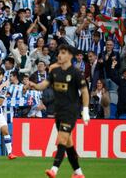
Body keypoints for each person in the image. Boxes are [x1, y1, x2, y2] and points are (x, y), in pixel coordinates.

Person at [28, 44, 90, 178]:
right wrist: (33, 85)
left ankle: (54, 169)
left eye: (63, 53)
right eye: (59, 53)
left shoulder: (76, 73)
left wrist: (85, 110)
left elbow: (84, 91)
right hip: (58, 112)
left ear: (70, 56)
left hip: (71, 111)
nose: (59, 55)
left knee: (61, 139)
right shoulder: (55, 72)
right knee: (68, 144)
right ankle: (78, 173)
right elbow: (43, 85)